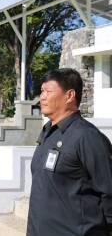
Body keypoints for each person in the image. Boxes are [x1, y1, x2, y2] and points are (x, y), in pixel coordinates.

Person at [27, 68, 112, 236]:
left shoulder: (87, 137)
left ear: (69, 95)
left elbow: (109, 191)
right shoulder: (47, 132)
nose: (42, 97)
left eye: (48, 91)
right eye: (41, 91)